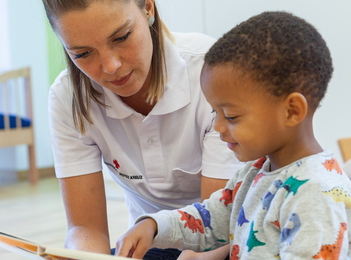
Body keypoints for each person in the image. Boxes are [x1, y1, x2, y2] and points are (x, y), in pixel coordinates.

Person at [114, 11, 351, 259]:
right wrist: (153, 226)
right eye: (215, 113)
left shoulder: (316, 193)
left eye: (231, 116)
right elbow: (207, 220)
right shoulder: (254, 173)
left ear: (291, 111)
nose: (217, 127)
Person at [44, 0, 242, 259]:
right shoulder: (68, 98)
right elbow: (85, 229)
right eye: (82, 54)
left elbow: (214, 225)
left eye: (121, 37)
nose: (111, 65)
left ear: (148, 7)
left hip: (222, 240)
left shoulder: (212, 72)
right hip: (151, 242)